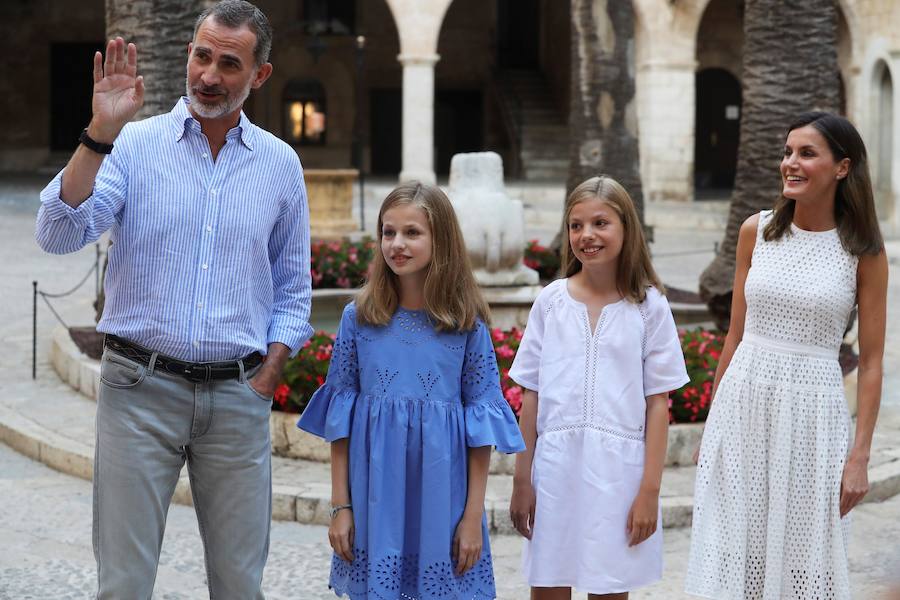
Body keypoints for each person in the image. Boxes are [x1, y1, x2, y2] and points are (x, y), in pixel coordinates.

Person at [34, 1, 312, 597]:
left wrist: (269, 373)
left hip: (238, 401)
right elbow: (57, 232)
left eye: (229, 63)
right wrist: (98, 134)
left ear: (259, 75)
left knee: (240, 584)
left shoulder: (282, 166)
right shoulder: (131, 147)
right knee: (124, 584)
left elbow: (293, 289)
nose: (209, 75)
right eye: (202, 55)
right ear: (188, 53)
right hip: (138, 392)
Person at [685, 112, 888, 599]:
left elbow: (874, 361)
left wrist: (859, 457)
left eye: (806, 153)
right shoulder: (757, 230)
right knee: (735, 548)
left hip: (814, 415)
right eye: (788, 152)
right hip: (745, 403)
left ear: (842, 167)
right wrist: (714, 424)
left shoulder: (863, 251)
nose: (790, 164)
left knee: (806, 559)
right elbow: (734, 335)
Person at [298, 182, 525, 599]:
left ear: (441, 241)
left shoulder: (465, 325)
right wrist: (341, 507)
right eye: (388, 232)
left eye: (412, 233)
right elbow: (340, 424)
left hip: (444, 502)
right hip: (373, 501)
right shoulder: (358, 319)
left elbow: (481, 431)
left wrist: (473, 517)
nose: (396, 244)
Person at [508, 176, 690, 599]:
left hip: (618, 478)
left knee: (609, 589)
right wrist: (522, 479)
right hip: (554, 470)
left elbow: (658, 405)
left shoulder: (649, 307)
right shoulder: (551, 302)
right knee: (549, 586)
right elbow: (530, 396)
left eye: (600, 223)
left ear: (626, 228)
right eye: (576, 225)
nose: (586, 235)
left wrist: (649, 491)